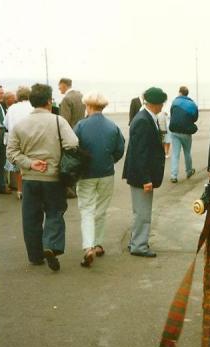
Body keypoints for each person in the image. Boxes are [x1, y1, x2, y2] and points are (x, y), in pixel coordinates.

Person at [6, 83, 78, 271]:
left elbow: (11, 152)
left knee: (31, 217)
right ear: (49, 101)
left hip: (29, 178)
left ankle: (35, 256)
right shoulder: (58, 121)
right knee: (55, 212)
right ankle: (51, 245)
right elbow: (73, 143)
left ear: (31, 102)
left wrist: (30, 163)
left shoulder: (20, 125)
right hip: (53, 177)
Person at [73, 91, 125, 267]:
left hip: (86, 174)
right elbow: (119, 149)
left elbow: (73, 147)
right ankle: (98, 244)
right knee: (101, 210)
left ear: (88, 106)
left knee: (87, 209)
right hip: (106, 173)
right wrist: (110, 160)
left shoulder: (80, 125)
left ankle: (88, 246)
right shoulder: (112, 126)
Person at [123, 87, 168, 258]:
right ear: (155, 104)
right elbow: (140, 153)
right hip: (141, 176)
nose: (163, 107)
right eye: (161, 103)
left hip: (140, 174)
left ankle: (136, 241)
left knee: (140, 211)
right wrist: (146, 178)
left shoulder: (144, 117)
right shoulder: (143, 120)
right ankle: (139, 246)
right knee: (143, 213)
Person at [4, 86, 33, 199]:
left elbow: (5, 124)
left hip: (15, 140)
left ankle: (20, 191)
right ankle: (30, 191)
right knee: (31, 165)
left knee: (18, 167)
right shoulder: (33, 106)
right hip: (30, 140)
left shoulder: (12, 108)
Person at [58, 77, 85, 198]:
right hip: (81, 131)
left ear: (64, 85)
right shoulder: (81, 95)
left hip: (70, 133)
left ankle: (70, 189)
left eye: (59, 86)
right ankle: (78, 187)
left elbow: (64, 121)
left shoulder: (66, 99)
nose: (59, 88)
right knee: (78, 160)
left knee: (69, 162)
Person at [168, 86, 198, 183]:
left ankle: (173, 175)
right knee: (187, 152)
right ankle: (189, 171)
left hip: (174, 130)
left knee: (175, 154)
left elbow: (172, 114)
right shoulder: (192, 104)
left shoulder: (174, 102)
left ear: (180, 92)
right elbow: (195, 118)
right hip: (186, 131)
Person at [0, 84, 11, 194]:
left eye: (3, 93)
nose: (2, 95)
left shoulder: (2, 105)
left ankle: (0, 186)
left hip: (3, 133)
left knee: (1, 161)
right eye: (0, 93)